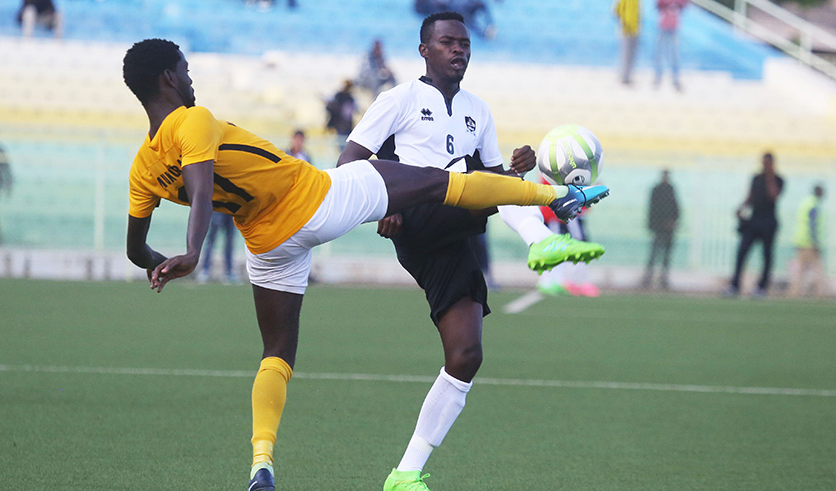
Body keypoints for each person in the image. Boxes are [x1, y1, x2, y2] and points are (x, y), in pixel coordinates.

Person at [121, 38, 609, 491]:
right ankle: (559, 197)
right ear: (167, 78)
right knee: (440, 182)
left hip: (267, 243)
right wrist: (193, 253)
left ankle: (262, 463)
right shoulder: (192, 119)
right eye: (185, 72)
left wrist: (164, 262)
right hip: (317, 200)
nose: (191, 81)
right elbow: (202, 188)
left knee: (276, 354)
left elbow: (135, 251)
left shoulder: (142, 168)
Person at [337, 12, 606, 490]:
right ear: (425, 50)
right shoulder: (397, 100)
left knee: (465, 355)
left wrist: (516, 168)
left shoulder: (478, 111)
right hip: (415, 217)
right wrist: (380, 204)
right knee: (482, 182)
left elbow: (496, 181)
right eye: (447, 43)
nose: (459, 50)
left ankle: (405, 473)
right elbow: (349, 163)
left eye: (464, 43)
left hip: (453, 234)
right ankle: (544, 238)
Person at [725, 152, 784, 298]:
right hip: (754, 220)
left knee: (767, 255)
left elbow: (774, 195)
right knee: (742, 252)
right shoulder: (756, 178)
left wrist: (770, 176)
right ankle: (735, 285)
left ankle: (762, 287)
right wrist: (741, 208)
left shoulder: (778, 179)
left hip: (769, 221)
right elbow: (751, 196)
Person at [641, 169, 679, 290]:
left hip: (668, 228)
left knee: (665, 256)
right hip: (659, 227)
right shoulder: (657, 190)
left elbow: (675, 208)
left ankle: (663, 279)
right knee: (654, 254)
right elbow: (653, 209)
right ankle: (648, 278)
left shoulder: (671, 189)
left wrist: (672, 222)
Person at [788, 184, 826, 298]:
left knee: (800, 269)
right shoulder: (813, 205)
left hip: (800, 241)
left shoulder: (805, 203)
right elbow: (812, 224)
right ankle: (819, 294)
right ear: (819, 192)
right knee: (817, 268)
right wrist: (815, 242)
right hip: (809, 242)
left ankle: (794, 293)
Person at [654, 0, 688, 91]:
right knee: (661, 53)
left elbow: (685, 4)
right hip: (664, 25)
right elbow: (658, 5)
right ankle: (659, 77)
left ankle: (674, 78)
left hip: (673, 26)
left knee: (673, 54)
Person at [197, 211, 238, 283]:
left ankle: (229, 272)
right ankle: (205, 270)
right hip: (218, 209)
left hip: (232, 211)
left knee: (229, 242)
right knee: (211, 241)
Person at [614, 0, 640, 86]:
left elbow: (637, 13)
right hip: (626, 30)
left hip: (634, 30)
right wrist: (624, 23)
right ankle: (624, 76)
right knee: (625, 54)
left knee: (631, 55)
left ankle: (628, 76)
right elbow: (617, 11)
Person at [325, 79, 357, 150]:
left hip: (346, 127)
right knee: (343, 147)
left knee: (345, 147)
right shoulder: (340, 96)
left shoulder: (349, 98)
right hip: (341, 126)